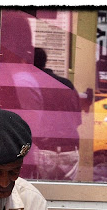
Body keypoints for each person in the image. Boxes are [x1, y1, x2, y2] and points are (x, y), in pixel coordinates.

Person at [32, 47, 82, 181]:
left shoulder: (31, 84)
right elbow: (77, 120)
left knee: (42, 192)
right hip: (69, 149)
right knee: (66, 194)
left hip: (44, 149)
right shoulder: (67, 84)